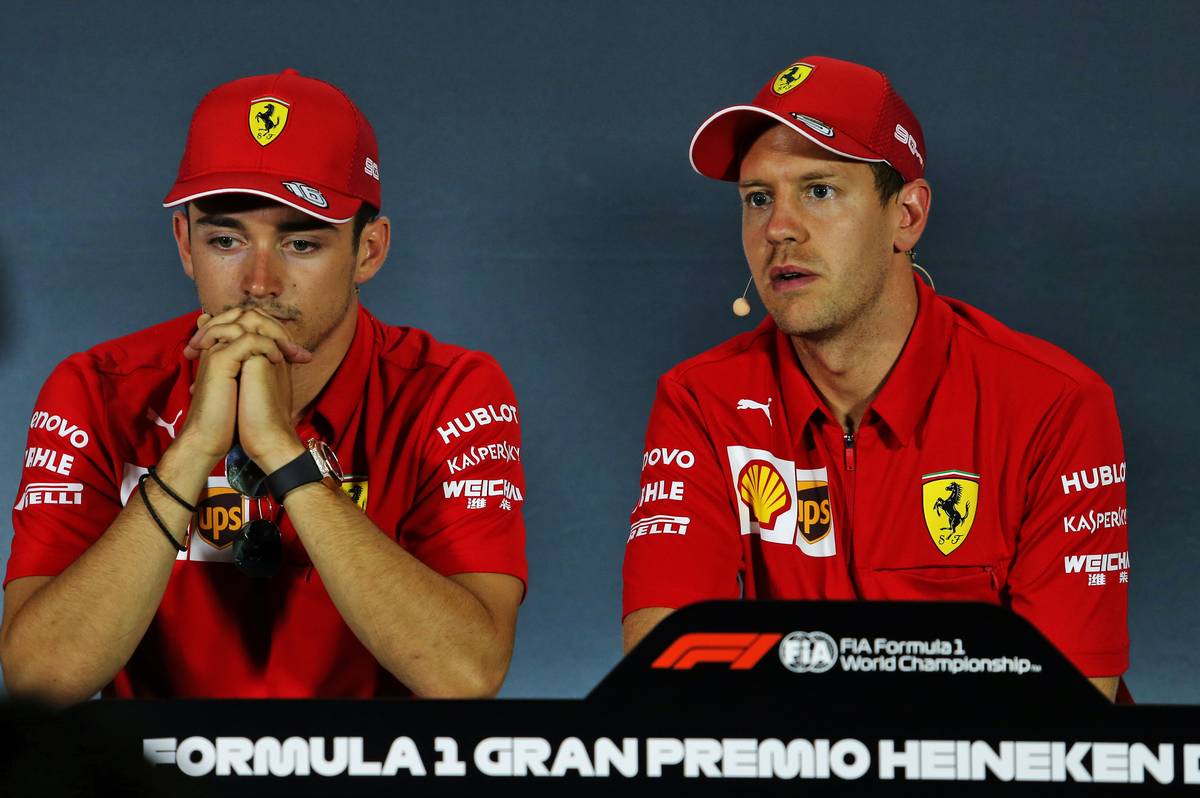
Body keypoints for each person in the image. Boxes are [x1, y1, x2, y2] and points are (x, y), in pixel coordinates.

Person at [1, 69, 527, 703]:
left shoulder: (451, 390)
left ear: (369, 251)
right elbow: (38, 681)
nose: (258, 282)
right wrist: (193, 449)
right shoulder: (96, 387)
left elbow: (465, 677)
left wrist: (283, 453)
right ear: (184, 244)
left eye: (301, 243)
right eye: (225, 239)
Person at [622, 56, 1128, 700]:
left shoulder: (1055, 404)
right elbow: (667, 683)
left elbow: (1065, 714)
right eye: (757, 199)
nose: (779, 228)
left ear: (908, 216)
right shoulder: (701, 400)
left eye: (820, 189)